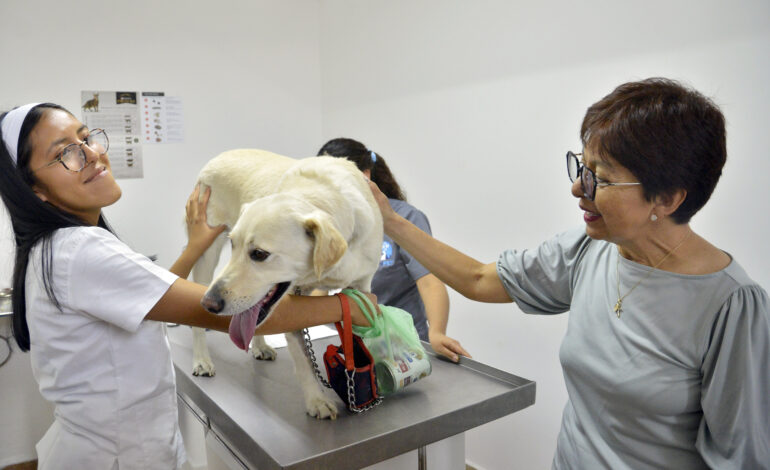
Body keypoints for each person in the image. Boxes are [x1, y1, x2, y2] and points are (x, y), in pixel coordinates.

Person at [366, 79, 770, 468]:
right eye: (582, 166)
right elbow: (479, 279)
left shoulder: (730, 306)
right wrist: (391, 221)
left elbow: (741, 457)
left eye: (601, 177)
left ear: (667, 198)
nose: (579, 188)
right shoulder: (589, 249)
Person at [0, 103, 374, 470]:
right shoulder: (81, 252)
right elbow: (226, 311)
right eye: (66, 152)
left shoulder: (57, 247)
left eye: (86, 137)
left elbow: (152, 295)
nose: (93, 154)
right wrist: (348, 306)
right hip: (118, 456)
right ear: (34, 190)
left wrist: (196, 246)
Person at [318, 138, 470, 362]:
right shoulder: (333, 223)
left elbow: (429, 281)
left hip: (404, 346)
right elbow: (319, 287)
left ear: (365, 174)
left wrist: (436, 332)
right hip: (355, 345)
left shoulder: (405, 217)